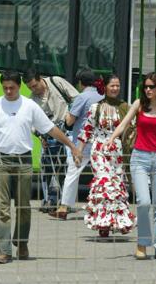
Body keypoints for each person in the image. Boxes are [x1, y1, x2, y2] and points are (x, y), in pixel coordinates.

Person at [0, 70, 82, 264]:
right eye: (4, 87)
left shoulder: (30, 106)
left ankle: (21, 243)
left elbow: (50, 129)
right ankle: (3, 250)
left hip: (23, 161)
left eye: (11, 87)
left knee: (23, 206)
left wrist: (71, 146)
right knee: (2, 207)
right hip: (0, 161)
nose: (8, 91)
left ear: (18, 86)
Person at [108, 72, 156, 261]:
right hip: (139, 157)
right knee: (144, 202)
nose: (148, 90)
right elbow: (123, 124)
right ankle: (142, 244)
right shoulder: (139, 104)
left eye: (152, 86)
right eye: (146, 86)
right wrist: (111, 139)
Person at [77, 74, 135, 237]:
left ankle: (116, 221)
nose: (115, 88)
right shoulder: (96, 108)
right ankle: (102, 223)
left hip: (118, 151)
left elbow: (133, 128)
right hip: (100, 150)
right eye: (112, 85)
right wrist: (79, 151)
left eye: (118, 85)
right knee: (104, 182)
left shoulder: (125, 107)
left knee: (116, 185)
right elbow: (86, 130)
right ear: (105, 87)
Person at [50, 68, 103, 220]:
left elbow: (70, 121)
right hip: (99, 142)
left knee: (72, 174)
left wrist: (67, 113)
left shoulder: (82, 97)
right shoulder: (102, 95)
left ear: (80, 83)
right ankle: (102, 206)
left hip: (80, 143)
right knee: (100, 174)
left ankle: (64, 207)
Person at [24, 69, 79, 212]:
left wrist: (70, 117)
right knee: (47, 168)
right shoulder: (32, 101)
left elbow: (76, 98)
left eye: (35, 85)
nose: (33, 89)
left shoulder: (56, 82)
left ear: (40, 78)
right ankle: (49, 200)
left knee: (65, 167)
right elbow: (31, 122)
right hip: (48, 135)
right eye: (30, 88)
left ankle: (65, 202)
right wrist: (40, 135)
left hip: (67, 131)